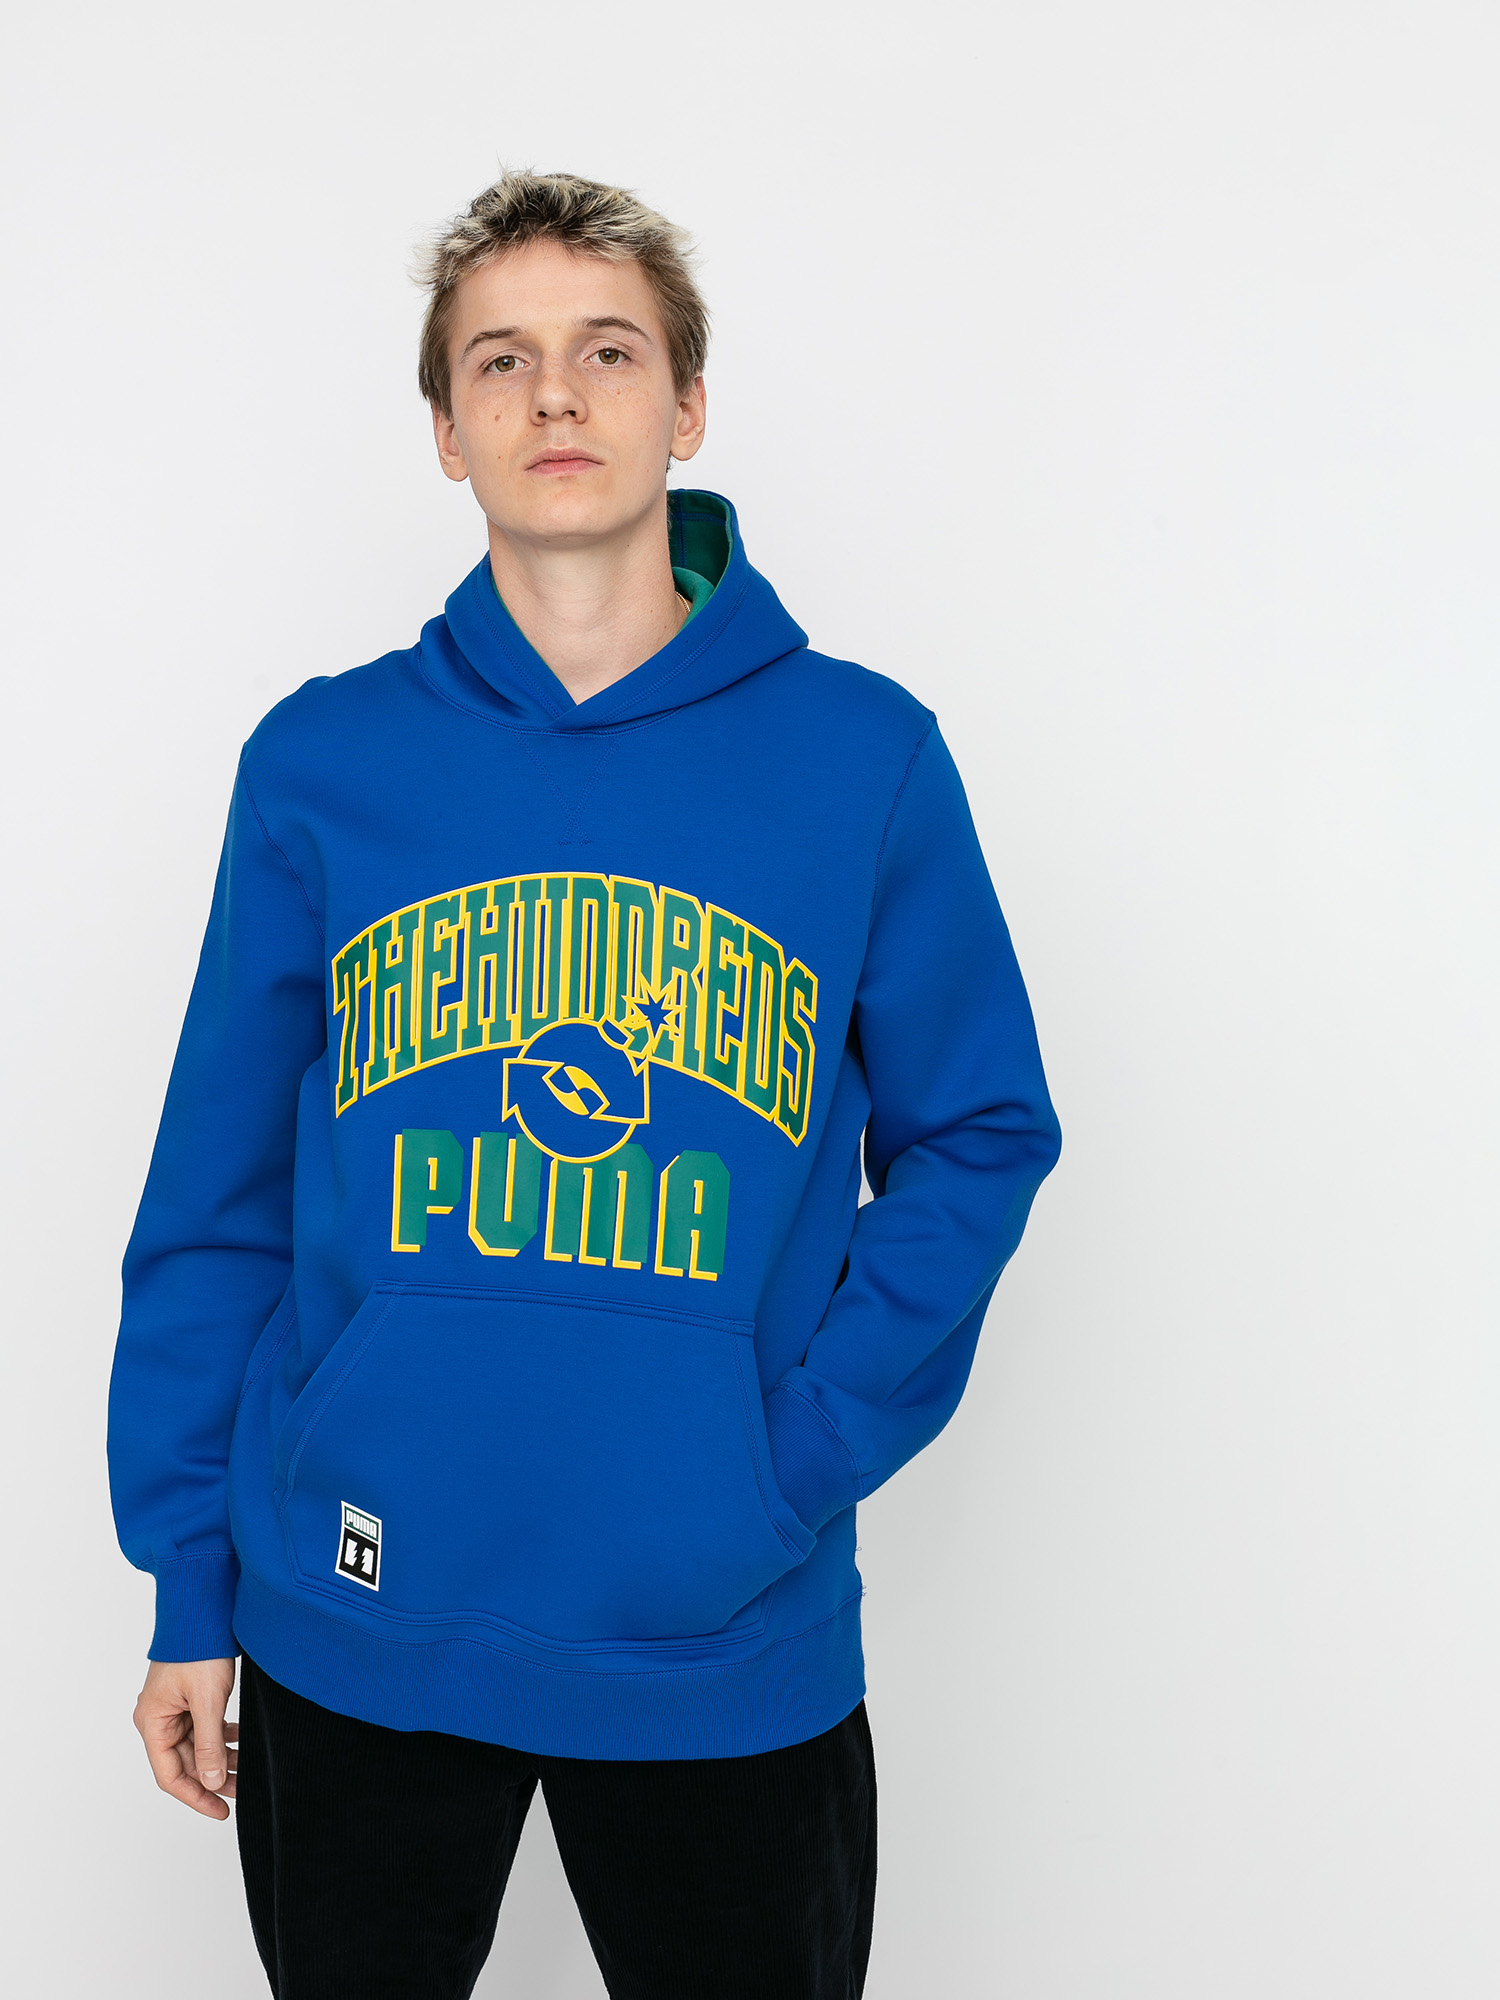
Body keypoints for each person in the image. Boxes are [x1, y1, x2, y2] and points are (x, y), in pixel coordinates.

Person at [108, 169, 1061, 1999]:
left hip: (724, 1628)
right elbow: (217, 1203)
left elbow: (978, 1135)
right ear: (447, 432)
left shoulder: (861, 757)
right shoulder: (322, 765)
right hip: (356, 1601)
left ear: (686, 406)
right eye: (502, 360)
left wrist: (791, 1459)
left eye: (608, 351)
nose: (555, 394)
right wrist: (188, 1582)